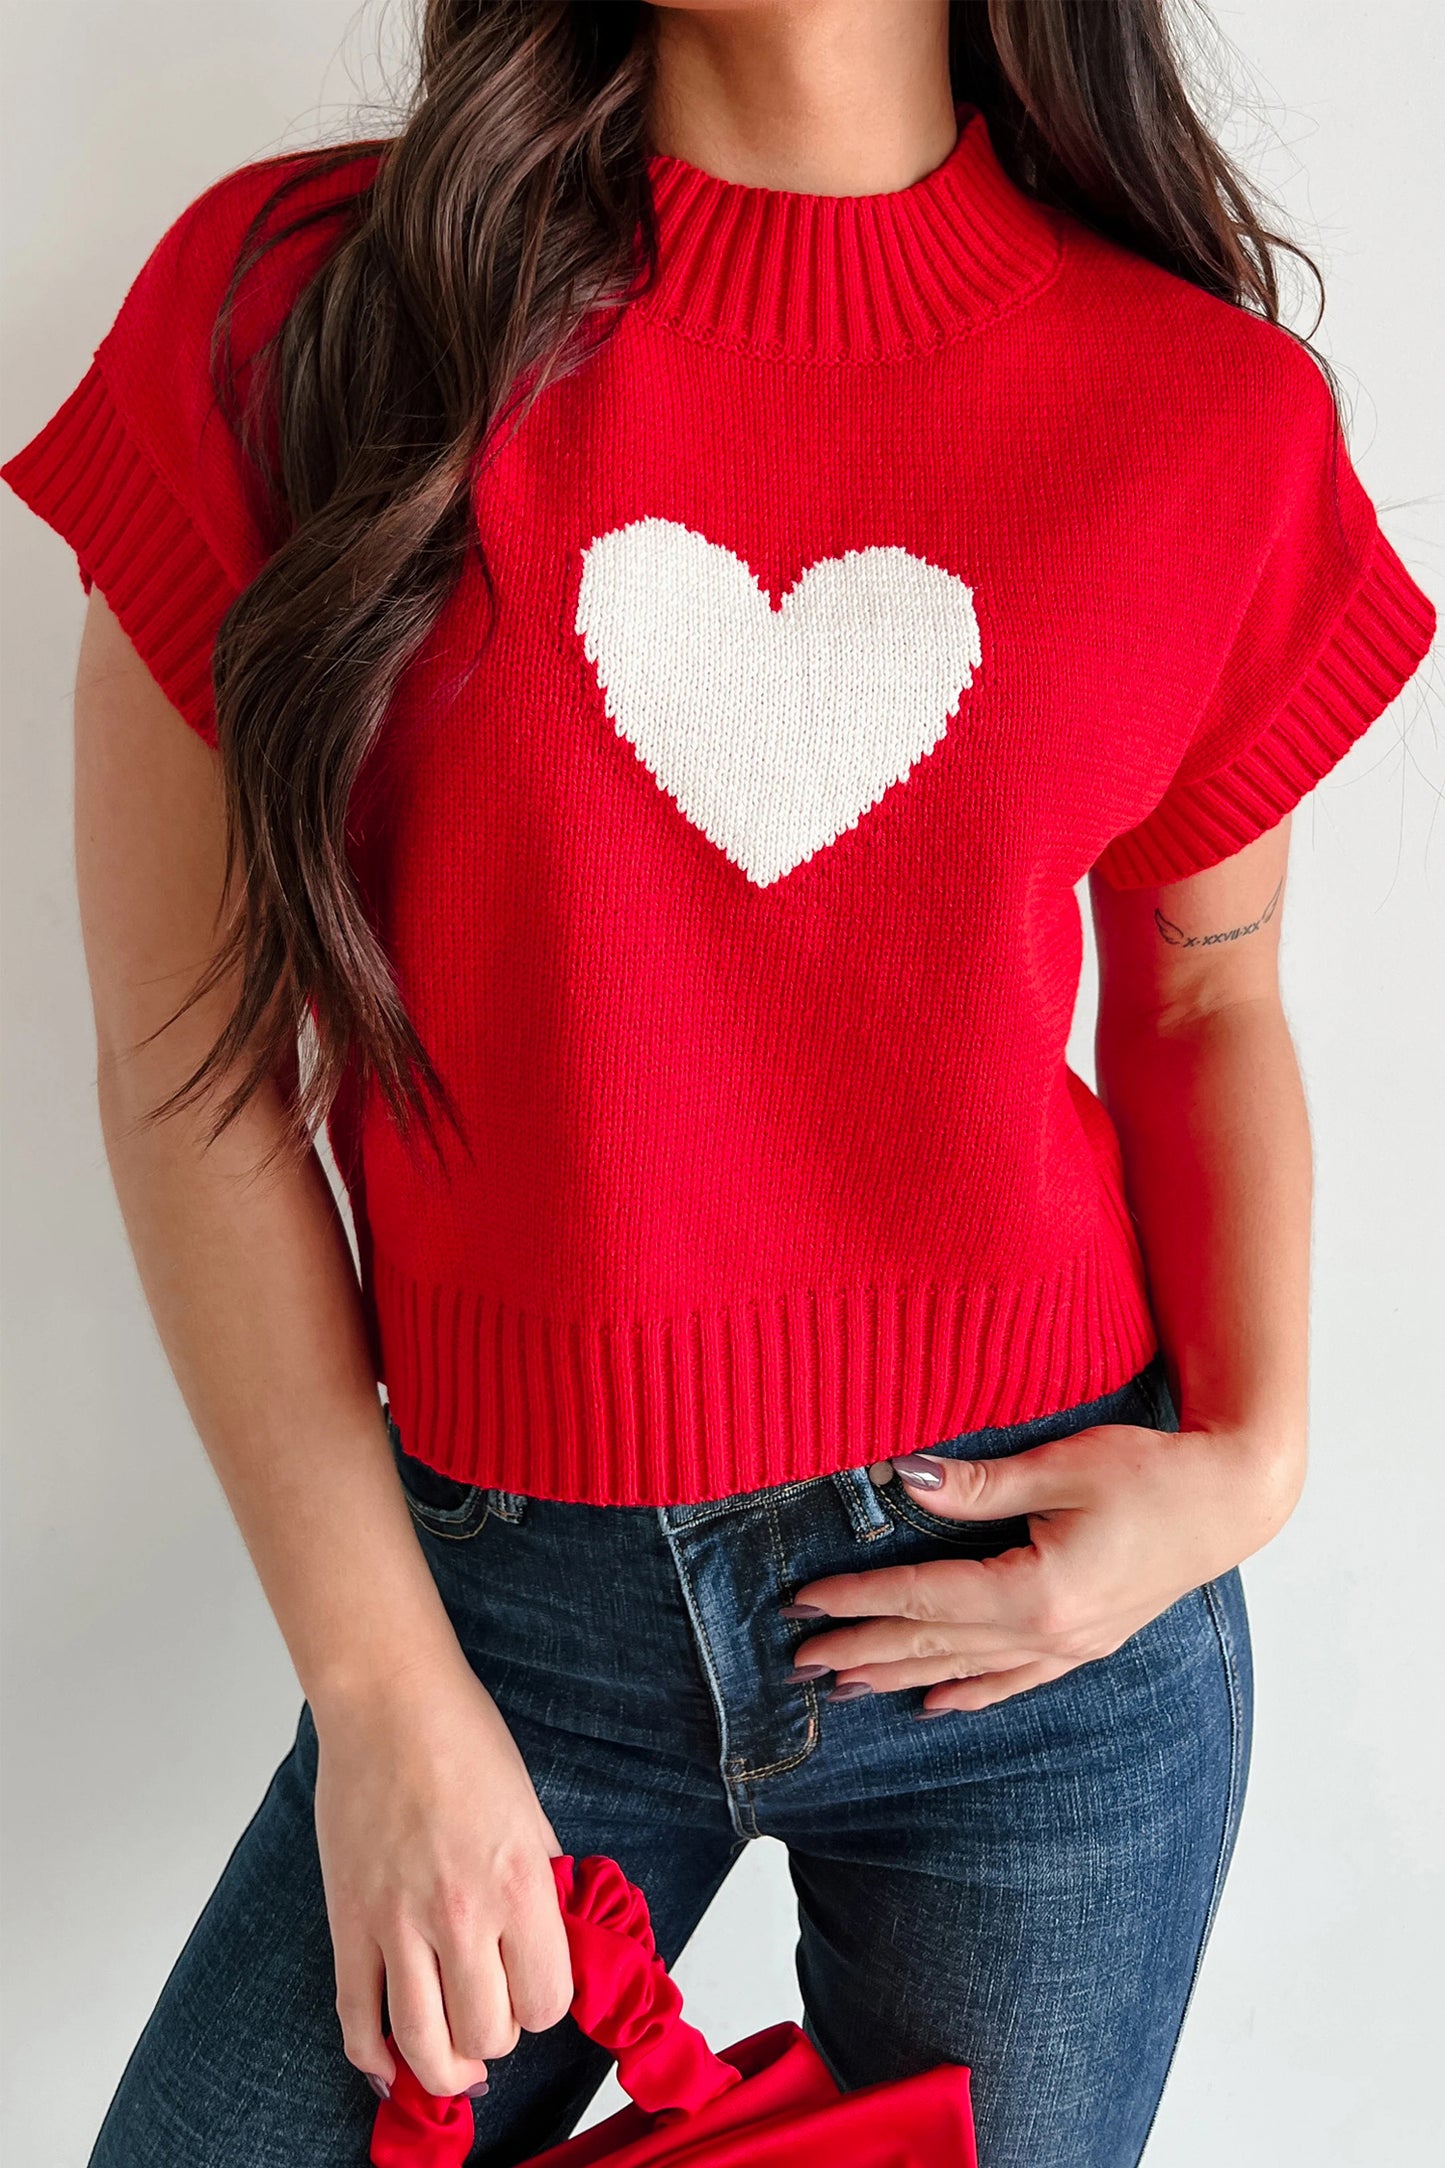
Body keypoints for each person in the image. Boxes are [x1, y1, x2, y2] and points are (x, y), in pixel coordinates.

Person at [3, 2, 1435, 2164]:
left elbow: (1211, 987)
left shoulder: (1200, 410)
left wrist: (1252, 1459)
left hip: (1037, 1641)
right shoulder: (296, 319)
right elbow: (196, 1075)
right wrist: (385, 1693)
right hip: (493, 1619)